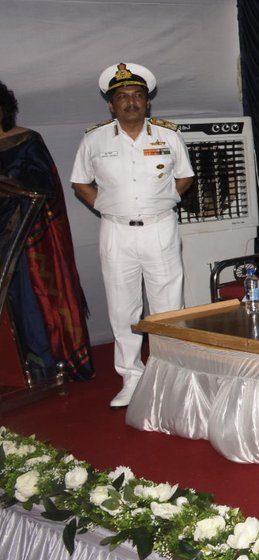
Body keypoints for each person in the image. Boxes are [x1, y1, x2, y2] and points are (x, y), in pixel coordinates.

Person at [70, 63, 194, 408]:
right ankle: (131, 376)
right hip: (117, 232)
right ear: (111, 105)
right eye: (122, 97)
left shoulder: (168, 136)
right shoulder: (94, 140)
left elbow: (184, 176)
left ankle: (171, 374)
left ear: (148, 102)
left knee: (168, 305)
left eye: (137, 96)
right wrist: (107, 206)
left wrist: (167, 199)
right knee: (123, 307)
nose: (130, 102)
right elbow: (80, 182)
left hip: (160, 227)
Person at [0, 81, 94, 383]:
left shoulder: (26, 140)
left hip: (25, 238)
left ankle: (43, 369)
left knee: (28, 301)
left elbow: (44, 186)